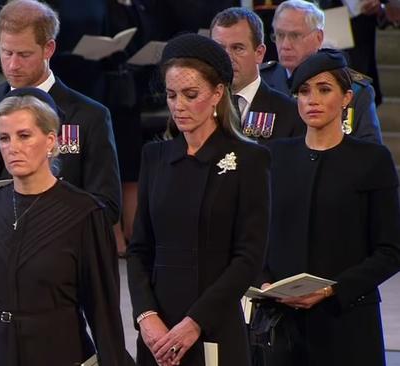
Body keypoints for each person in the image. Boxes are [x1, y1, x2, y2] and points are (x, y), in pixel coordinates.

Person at [0, 88, 130, 366]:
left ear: (50, 141)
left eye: (24, 136)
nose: (13, 148)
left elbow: (104, 313)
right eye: (4, 138)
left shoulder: (84, 214)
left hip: (59, 350)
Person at [127, 33, 270, 366]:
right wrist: (145, 317)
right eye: (172, 95)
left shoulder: (249, 159)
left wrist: (194, 323)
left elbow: (248, 256)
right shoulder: (155, 156)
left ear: (218, 93)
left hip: (214, 325)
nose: (178, 106)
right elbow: (139, 250)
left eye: (191, 95)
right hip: (158, 332)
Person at [257, 49, 400, 366]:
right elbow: (257, 233)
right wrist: (265, 282)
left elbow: (391, 250)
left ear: (346, 97)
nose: (312, 100)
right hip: (283, 324)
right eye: (304, 91)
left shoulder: (372, 160)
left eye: (324, 89)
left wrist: (334, 290)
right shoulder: (276, 156)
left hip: (347, 321)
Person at [0, 0, 121, 230]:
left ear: (49, 49)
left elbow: (107, 206)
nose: (13, 65)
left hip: (56, 253)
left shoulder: (90, 116)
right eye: (6, 52)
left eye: (24, 54)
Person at [260, 0, 382, 143]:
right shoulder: (261, 82)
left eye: (295, 36)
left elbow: (371, 155)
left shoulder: (355, 90)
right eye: (280, 35)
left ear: (319, 37)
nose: (285, 45)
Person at [210, 7, 305, 142]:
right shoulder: (200, 107)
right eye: (219, 49)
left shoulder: (290, 114)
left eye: (237, 48)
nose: (227, 58)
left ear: (259, 53)